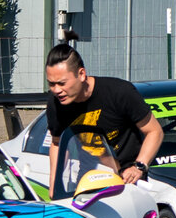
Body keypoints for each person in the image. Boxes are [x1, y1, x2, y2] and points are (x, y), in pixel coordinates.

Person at [44, 43, 159, 193]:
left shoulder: (120, 92)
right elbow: (58, 144)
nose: (57, 90)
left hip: (129, 180)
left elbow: (154, 132)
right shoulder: (55, 104)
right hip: (89, 182)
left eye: (62, 83)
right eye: (51, 84)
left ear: (81, 74)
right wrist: (54, 185)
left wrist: (139, 167)